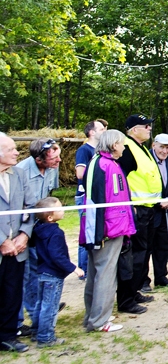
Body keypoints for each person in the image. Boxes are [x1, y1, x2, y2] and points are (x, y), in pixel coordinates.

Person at [81, 129, 135, 333]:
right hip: (108, 228)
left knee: (96, 272)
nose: (124, 147)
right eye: (122, 144)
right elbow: (103, 200)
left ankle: (93, 315)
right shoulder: (106, 165)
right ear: (114, 145)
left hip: (105, 225)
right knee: (105, 273)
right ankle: (99, 320)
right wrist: (101, 230)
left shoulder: (100, 163)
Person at [116, 114, 162, 314]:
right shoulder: (126, 149)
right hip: (136, 208)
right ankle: (126, 298)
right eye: (146, 126)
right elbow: (120, 179)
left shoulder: (142, 148)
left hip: (149, 207)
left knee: (145, 252)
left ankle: (135, 290)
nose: (149, 128)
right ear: (134, 129)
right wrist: (128, 205)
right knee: (135, 254)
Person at [16, 137, 62, 336]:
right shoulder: (21, 172)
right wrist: (23, 234)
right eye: (55, 157)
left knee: (38, 271)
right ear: (39, 160)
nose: (59, 161)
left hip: (40, 229)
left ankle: (39, 314)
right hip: (21, 230)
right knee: (23, 276)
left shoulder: (52, 169)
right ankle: (21, 323)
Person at [29, 197, 84, 347]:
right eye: (59, 208)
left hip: (41, 272)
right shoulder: (55, 233)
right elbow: (57, 256)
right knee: (50, 306)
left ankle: (36, 331)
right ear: (50, 217)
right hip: (52, 275)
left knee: (40, 304)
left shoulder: (38, 229)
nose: (63, 210)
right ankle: (45, 337)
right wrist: (74, 268)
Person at [0, 133, 35, 353]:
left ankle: (7, 336)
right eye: (11, 149)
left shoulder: (20, 175)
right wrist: (2, 241)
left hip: (17, 248)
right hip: (3, 245)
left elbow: (31, 207)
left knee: (12, 293)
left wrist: (24, 235)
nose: (17, 152)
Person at [147, 134, 168, 290]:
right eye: (162, 147)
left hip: (166, 207)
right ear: (154, 145)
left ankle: (161, 276)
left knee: (163, 244)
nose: (165, 151)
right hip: (150, 207)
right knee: (147, 246)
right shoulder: (147, 157)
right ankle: (143, 281)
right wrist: (158, 199)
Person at [75, 120, 107, 277]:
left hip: (96, 197)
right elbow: (80, 173)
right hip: (85, 196)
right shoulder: (84, 150)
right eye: (101, 129)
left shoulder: (101, 150)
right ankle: (84, 270)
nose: (104, 131)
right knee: (86, 231)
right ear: (92, 132)